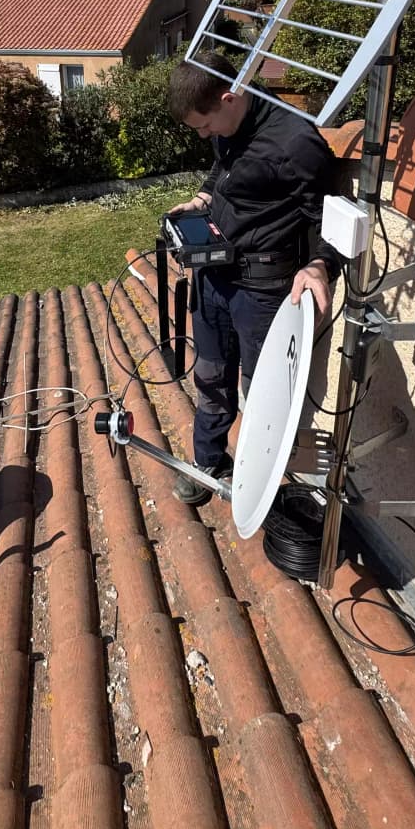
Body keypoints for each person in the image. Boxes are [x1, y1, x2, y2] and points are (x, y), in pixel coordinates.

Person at [166, 53, 340, 504]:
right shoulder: (227, 127)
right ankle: (208, 458)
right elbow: (222, 170)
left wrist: (319, 264)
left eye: (205, 126)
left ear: (229, 98)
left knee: (259, 390)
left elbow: (330, 217)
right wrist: (203, 199)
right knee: (209, 375)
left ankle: (258, 480)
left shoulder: (296, 142)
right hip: (213, 279)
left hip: (261, 291)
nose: (204, 136)